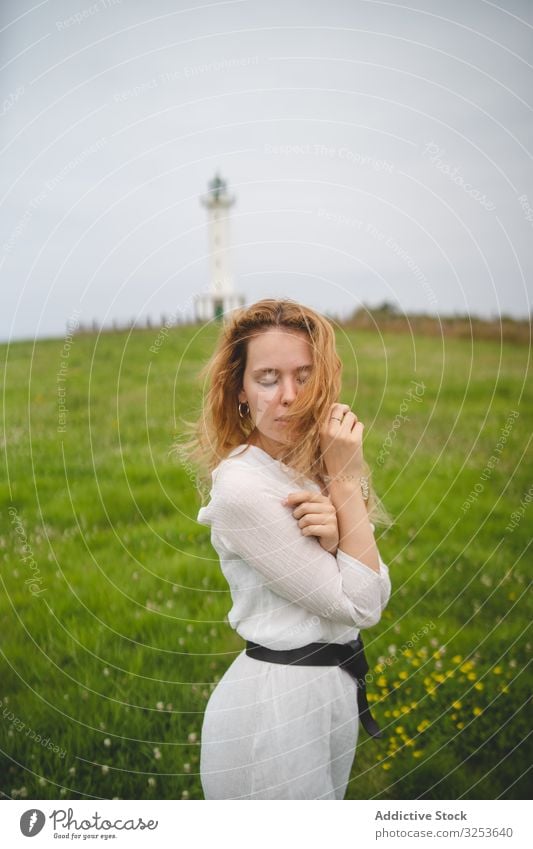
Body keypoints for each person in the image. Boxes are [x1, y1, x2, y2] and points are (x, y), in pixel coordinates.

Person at [177, 298, 393, 800]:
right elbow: (363, 605)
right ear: (240, 391)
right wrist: (345, 481)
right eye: (268, 377)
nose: (289, 396)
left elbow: (372, 583)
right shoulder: (244, 488)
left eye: (304, 375)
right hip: (275, 713)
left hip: (325, 697)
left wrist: (339, 534)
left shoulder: (306, 467)